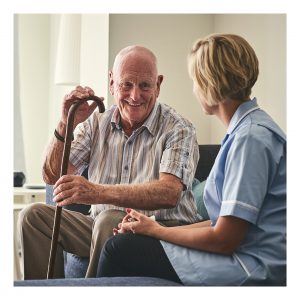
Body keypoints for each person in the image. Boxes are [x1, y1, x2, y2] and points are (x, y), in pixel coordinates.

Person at [97, 34, 286, 286]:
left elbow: (225, 240)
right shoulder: (246, 130)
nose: (194, 88)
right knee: (129, 242)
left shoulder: (251, 139)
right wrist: (152, 230)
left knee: (118, 250)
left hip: (251, 265)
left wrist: (159, 231)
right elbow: (223, 224)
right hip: (242, 253)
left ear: (210, 82)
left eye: (195, 80)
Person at [18, 46, 200, 279]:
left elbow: (169, 193)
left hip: (160, 232)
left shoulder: (179, 128)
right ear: (112, 82)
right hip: (99, 227)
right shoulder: (97, 123)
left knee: (108, 219)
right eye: (126, 84)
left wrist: (97, 192)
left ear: (158, 84)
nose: (135, 96)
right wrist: (65, 123)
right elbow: (52, 176)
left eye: (145, 85)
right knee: (32, 216)